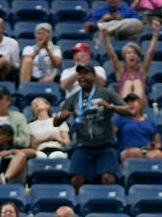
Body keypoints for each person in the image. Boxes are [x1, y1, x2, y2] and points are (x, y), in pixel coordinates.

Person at [54, 64, 131, 194]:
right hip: (83, 146)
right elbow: (56, 123)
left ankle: (109, 206)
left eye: (86, 74)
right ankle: (78, 209)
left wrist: (110, 107)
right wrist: (61, 117)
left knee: (108, 178)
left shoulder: (106, 93)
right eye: (79, 74)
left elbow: (128, 110)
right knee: (76, 180)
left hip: (106, 145)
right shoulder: (73, 98)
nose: (82, 77)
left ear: (94, 76)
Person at [101, 19, 160, 105]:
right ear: (124, 58)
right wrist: (105, 37)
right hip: (124, 104)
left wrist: (156, 33)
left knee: (137, 83)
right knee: (128, 83)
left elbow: (150, 53)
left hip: (141, 105)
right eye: (128, 53)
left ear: (138, 58)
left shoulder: (142, 71)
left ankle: (136, 109)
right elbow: (112, 55)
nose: (132, 55)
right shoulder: (120, 71)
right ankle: (127, 110)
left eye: (134, 53)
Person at [115, 93, 162, 160]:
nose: (129, 104)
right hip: (128, 150)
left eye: (132, 101)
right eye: (127, 102)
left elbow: (158, 142)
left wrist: (154, 146)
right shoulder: (121, 119)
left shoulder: (150, 121)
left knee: (158, 154)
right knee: (136, 152)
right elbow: (111, 134)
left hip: (147, 150)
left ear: (140, 104)